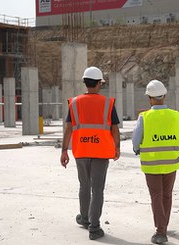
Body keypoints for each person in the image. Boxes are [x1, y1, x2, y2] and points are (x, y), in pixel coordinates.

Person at [60, 66, 120, 240]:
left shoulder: (75, 103)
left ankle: (85, 218)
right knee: (98, 189)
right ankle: (94, 228)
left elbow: (68, 128)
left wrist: (64, 150)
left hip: (81, 151)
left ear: (85, 83)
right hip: (101, 152)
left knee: (84, 186)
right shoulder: (108, 103)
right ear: (99, 84)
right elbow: (114, 128)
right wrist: (117, 147)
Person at [132, 80, 179, 244]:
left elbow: (136, 139)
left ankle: (161, 231)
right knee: (167, 195)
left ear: (149, 98)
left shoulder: (145, 117)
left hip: (152, 164)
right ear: (164, 96)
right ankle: (164, 225)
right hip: (171, 163)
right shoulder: (176, 115)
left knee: (156, 195)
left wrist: (137, 149)